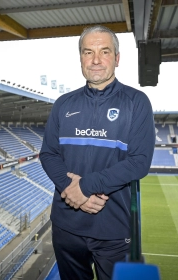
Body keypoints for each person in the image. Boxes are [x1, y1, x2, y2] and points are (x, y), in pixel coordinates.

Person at [39, 25, 155, 280]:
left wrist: (86, 187)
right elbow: (48, 154)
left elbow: (139, 162)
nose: (95, 60)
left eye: (104, 51)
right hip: (66, 227)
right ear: (80, 57)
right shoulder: (63, 104)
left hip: (113, 229)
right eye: (88, 52)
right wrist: (72, 189)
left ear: (117, 57)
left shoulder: (137, 102)